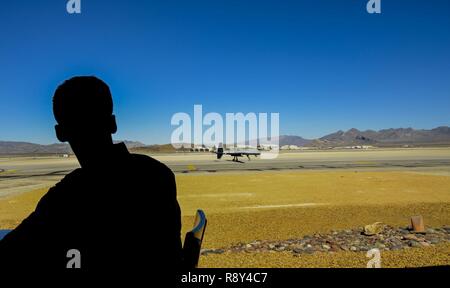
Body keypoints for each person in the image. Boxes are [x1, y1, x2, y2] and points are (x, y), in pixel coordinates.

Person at [0, 76, 183, 272]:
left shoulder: (67, 196)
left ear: (60, 133)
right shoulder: (158, 173)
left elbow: (12, 250)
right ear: (113, 124)